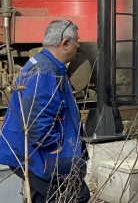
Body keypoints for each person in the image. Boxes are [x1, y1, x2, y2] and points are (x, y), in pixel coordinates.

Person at [0, 20, 90, 203]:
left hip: (32, 156)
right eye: (76, 41)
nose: (79, 45)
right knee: (79, 196)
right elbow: (36, 124)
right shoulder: (45, 71)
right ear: (65, 43)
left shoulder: (45, 65)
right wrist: (58, 152)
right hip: (38, 159)